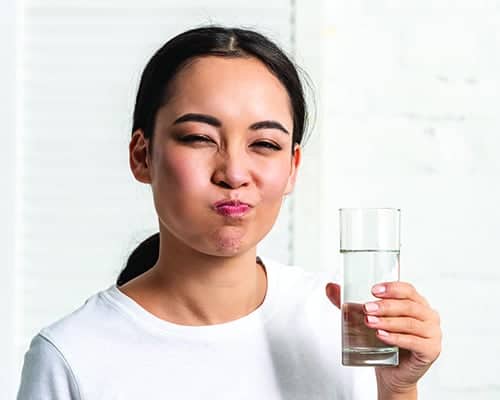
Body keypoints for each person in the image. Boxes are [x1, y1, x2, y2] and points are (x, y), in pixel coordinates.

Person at [17, 25, 441, 399]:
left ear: (292, 168)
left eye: (265, 144)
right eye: (200, 137)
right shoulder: (72, 354)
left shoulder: (343, 329)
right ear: (142, 155)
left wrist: (399, 389)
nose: (234, 173)